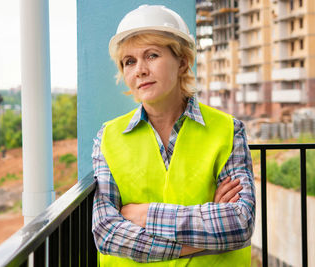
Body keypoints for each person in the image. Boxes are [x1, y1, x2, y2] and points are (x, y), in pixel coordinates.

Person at [92, 5, 255, 266]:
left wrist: (146, 215)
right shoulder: (108, 137)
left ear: (182, 61)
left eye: (152, 55)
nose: (139, 70)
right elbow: (108, 233)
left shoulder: (228, 130)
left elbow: (239, 224)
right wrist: (201, 235)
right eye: (129, 62)